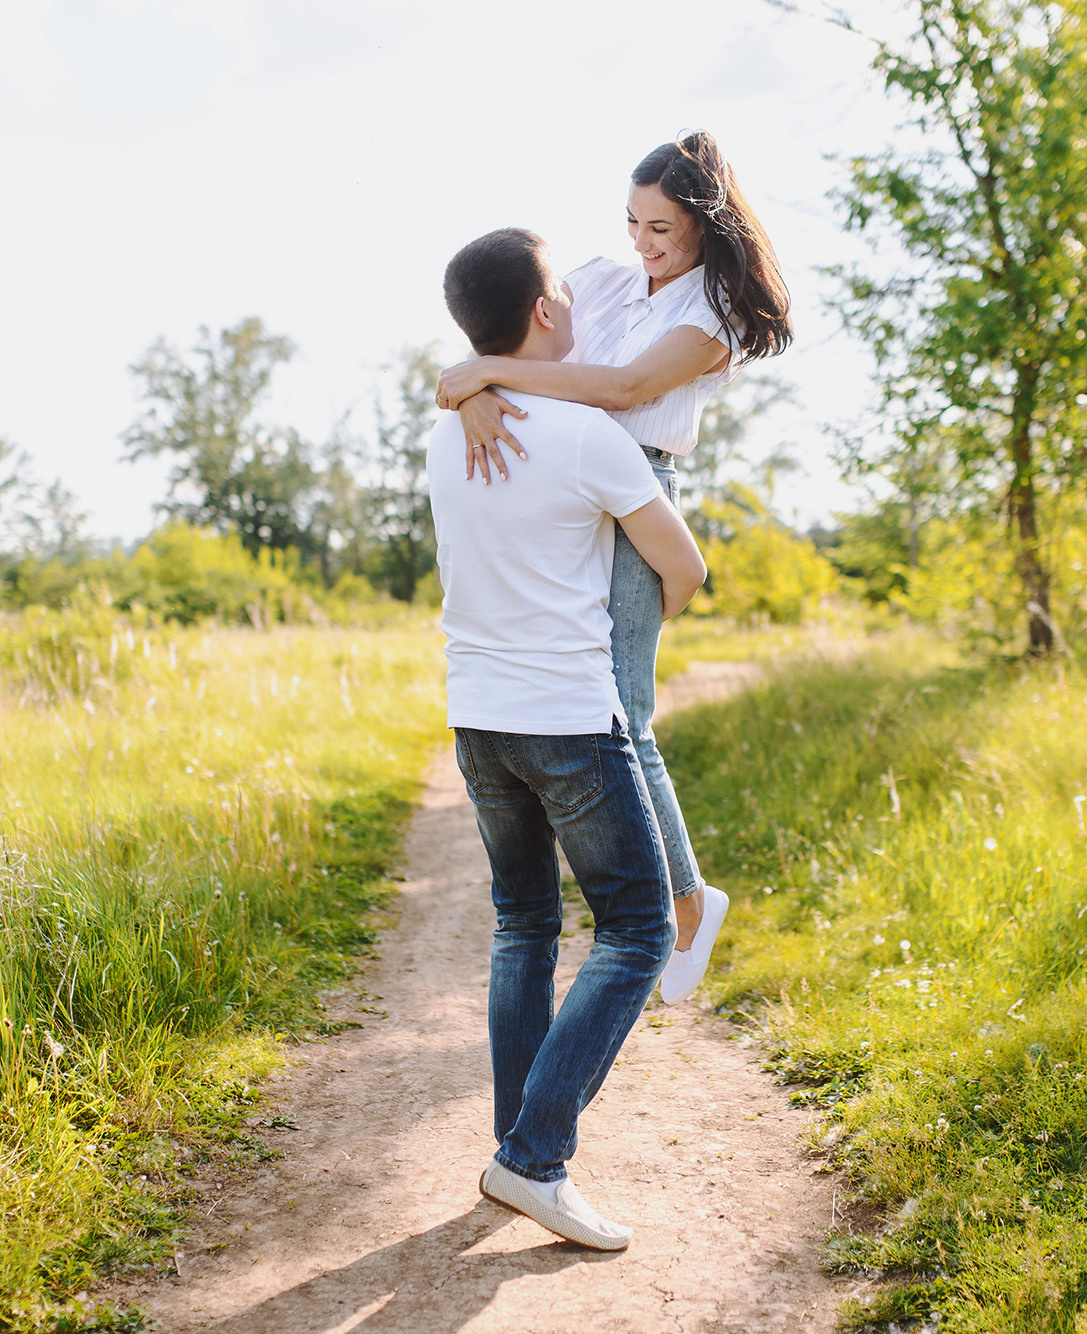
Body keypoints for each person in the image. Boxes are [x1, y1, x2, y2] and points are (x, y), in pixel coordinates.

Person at [434, 132, 793, 1005]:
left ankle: (685, 901)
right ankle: (635, 893)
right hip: (559, 477)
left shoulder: (715, 316)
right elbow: (511, 329)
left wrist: (483, 374)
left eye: (661, 228)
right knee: (566, 686)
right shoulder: (600, 276)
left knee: (624, 708)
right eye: (633, 222)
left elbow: (626, 389)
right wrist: (478, 389)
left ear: (705, 223)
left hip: (635, 485)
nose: (643, 243)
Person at [428, 227, 708, 1251]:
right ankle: (534, 1156)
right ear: (546, 312)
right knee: (637, 931)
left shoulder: (450, 431)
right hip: (567, 719)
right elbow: (685, 569)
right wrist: (621, 628)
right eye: (568, 295)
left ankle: (517, 1150)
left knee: (524, 926)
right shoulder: (591, 437)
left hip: (476, 716)